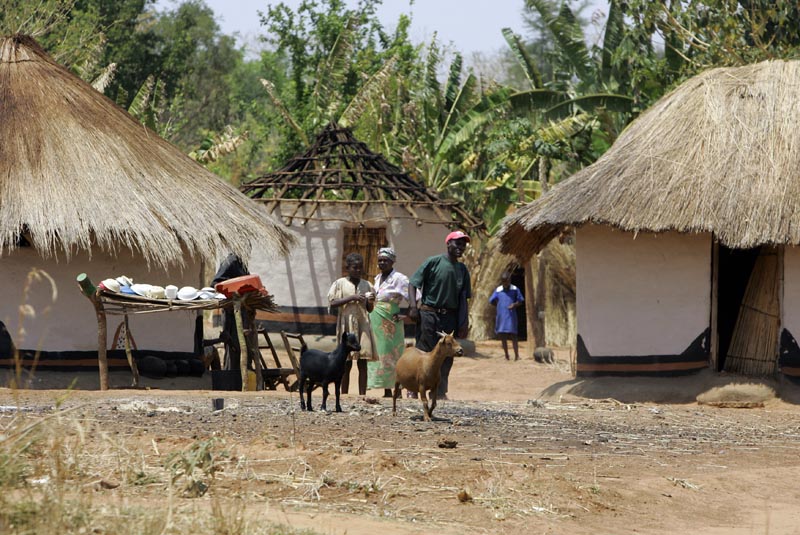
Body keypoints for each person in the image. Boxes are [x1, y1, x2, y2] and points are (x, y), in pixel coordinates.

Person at [408, 230, 471, 400]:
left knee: (447, 354)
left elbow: (463, 299)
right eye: (458, 243)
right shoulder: (433, 262)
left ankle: (440, 391)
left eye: (463, 244)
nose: (461, 247)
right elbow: (413, 284)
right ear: (448, 243)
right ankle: (414, 389)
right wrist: (413, 307)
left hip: (449, 317)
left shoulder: (462, 270)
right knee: (423, 351)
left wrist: (463, 322)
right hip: (429, 314)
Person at [327, 252, 376, 396]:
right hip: (346, 325)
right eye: (355, 268)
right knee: (345, 362)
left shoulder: (367, 285)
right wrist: (352, 297)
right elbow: (333, 302)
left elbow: (370, 309)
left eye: (360, 268)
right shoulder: (339, 284)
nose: (358, 270)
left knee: (363, 361)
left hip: (363, 324)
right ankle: (344, 394)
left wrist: (369, 301)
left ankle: (362, 395)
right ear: (347, 268)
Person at [367, 247, 409, 398]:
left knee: (393, 355)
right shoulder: (377, 278)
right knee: (380, 354)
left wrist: (406, 315)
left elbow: (415, 298)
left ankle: (397, 390)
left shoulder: (400, 279)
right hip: (376, 321)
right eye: (380, 260)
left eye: (386, 260)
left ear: (393, 261)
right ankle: (386, 390)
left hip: (391, 321)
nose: (382, 263)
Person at [211, 253, 249, 370]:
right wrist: (233, 289)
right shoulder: (231, 261)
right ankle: (232, 377)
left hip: (242, 311)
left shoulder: (242, 263)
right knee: (233, 347)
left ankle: (238, 376)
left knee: (242, 349)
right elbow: (215, 283)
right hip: (232, 313)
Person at [489, 271, 525, 361]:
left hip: (511, 315)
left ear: (510, 280)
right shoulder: (499, 290)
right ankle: (506, 356)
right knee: (503, 335)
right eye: (503, 281)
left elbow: (520, 301)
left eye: (507, 281)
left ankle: (516, 355)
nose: (505, 283)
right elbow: (491, 300)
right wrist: (499, 306)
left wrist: (514, 305)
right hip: (502, 315)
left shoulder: (515, 289)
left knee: (513, 335)